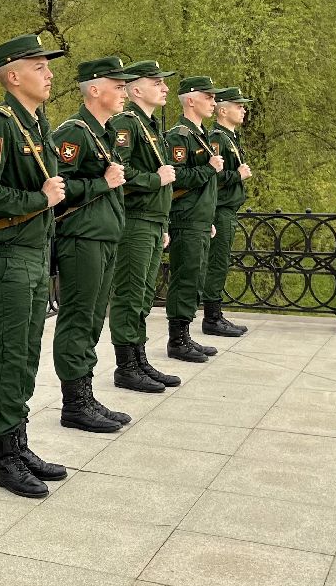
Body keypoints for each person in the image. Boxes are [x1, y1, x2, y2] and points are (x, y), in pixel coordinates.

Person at [0, 35, 69, 498]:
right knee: (8, 357)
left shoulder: (38, 124)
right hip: (7, 257)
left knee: (27, 354)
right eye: (40, 67)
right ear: (13, 76)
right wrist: (37, 200)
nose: (49, 74)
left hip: (32, 252)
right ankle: (3, 457)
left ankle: (19, 442)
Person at [51, 57, 138, 433]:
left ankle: (84, 393)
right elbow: (57, 188)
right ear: (95, 89)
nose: (125, 93)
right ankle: (73, 403)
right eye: (118, 87)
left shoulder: (103, 132)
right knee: (78, 318)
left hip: (103, 236)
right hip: (80, 238)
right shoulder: (73, 132)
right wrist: (103, 183)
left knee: (92, 318)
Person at [107, 60, 182, 391]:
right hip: (134, 221)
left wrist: (164, 222)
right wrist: (155, 178)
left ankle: (139, 359)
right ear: (136, 89)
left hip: (152, 221)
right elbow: (118, 172)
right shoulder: (126, 123)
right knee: (129, 293)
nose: (165, 88)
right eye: (157, 83)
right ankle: (126, 366)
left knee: (144, 294)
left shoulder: (150, 126)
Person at [165, 76, 225, 362]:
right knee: (185, 278)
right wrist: (209, 169)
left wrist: (208, 216)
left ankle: (185, 334)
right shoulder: (180, 135)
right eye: (208, 96)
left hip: (199, 218)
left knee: (196, 277)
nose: (214, 102)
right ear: (191, 99)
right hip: (185, 218)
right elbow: (176, 177)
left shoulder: (199, 135)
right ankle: (177, 340)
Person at [203, 86, 254, 336]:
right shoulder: (217, 138)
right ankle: (212, 318)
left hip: (229, 209)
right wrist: (238, 175)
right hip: (220, 210)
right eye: (238, 105)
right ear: (223, 110)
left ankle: (216, 314)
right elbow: (212, 176)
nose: (243, 110)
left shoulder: (231, 137)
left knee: (221, 262)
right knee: (217, 263)